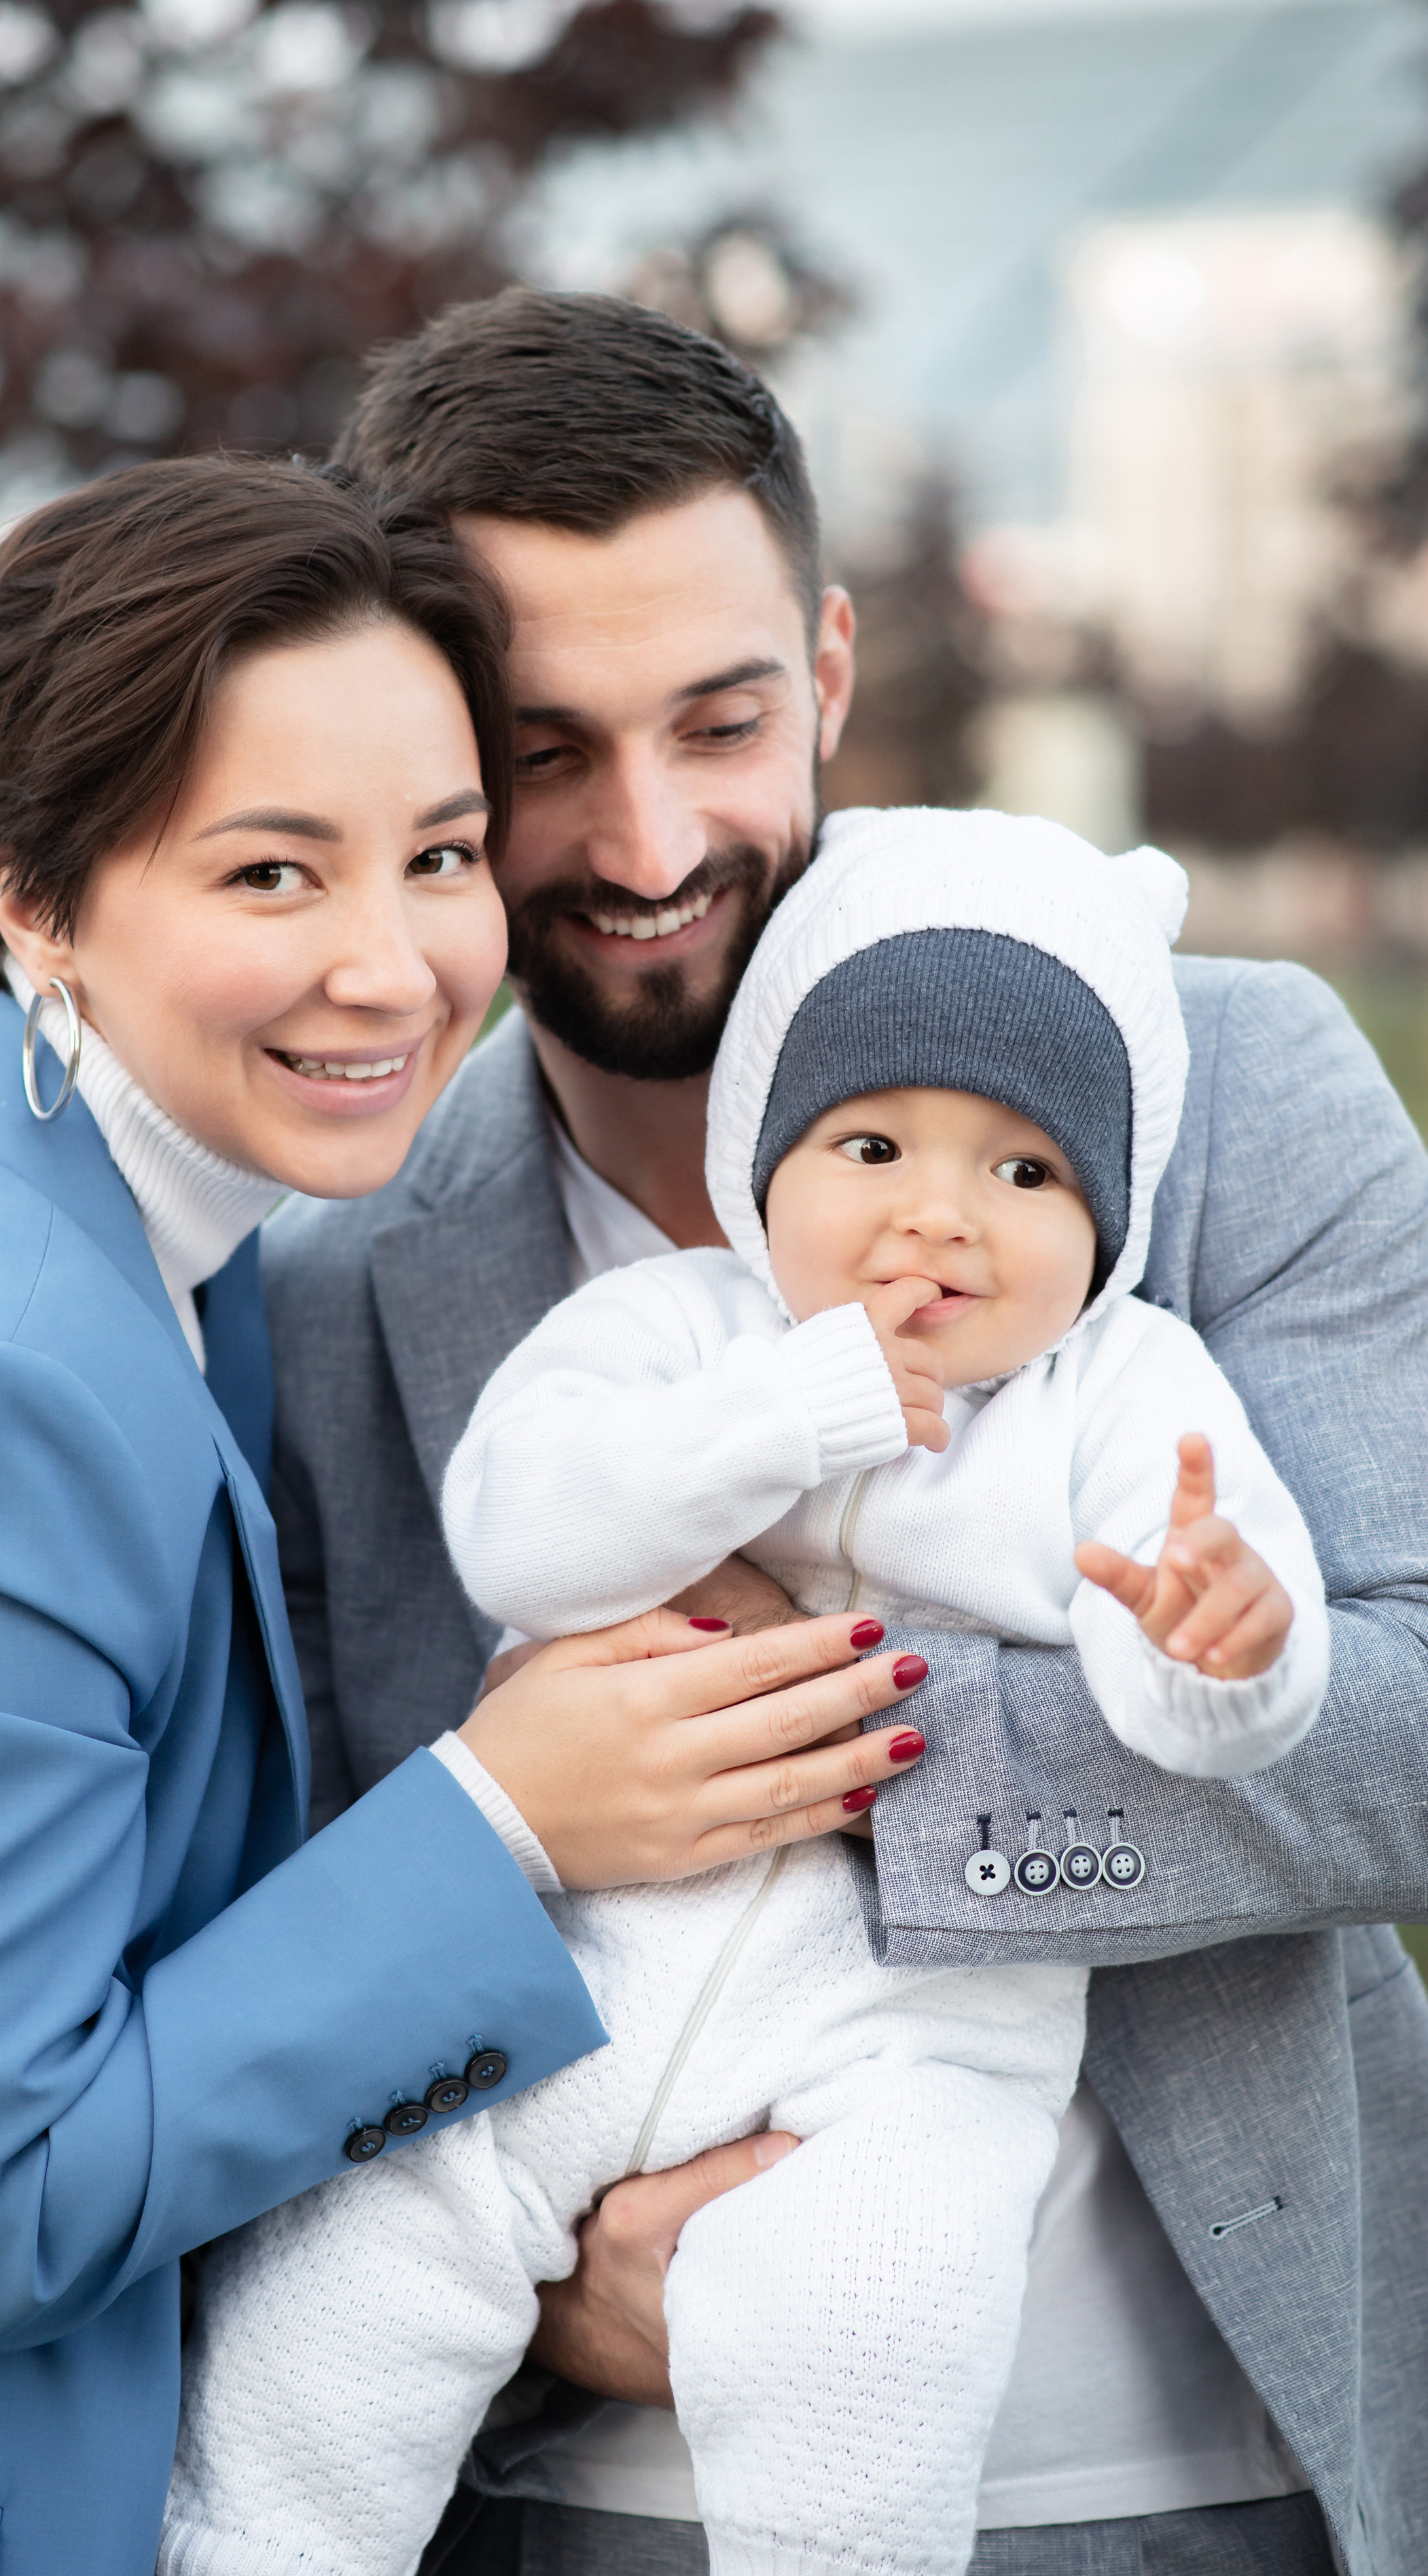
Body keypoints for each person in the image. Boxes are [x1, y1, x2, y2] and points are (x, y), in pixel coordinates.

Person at [258, 292, 1428, 2576]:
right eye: (546, 749)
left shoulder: (1234, 1089)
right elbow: (274, 1914)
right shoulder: (333, 1273)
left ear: (831, 669)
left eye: (720, 721)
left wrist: (816, 1753)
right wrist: (543, 2302)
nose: (649, 834)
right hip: (597, 2499)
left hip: (1209, 2484)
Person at [0, 456, 919, 2576]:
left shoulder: (148, 1246)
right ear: (33, 898)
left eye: (438, 854)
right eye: (273, 872)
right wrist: (504, 1817)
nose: (392, 965)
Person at [166, 812, 1326, 2576]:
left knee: (874, 2315)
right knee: (363, 2248)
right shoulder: (676, 1332)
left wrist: (1219, 1649)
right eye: (872, 1145)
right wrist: (789, 1413)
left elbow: (1197, 1669)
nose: (940, 1213)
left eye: (1026, 1172)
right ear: (761, 1164)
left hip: (913, 2036)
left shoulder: (1120, 1388)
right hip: (573, 1985)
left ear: (1107, 1222)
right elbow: (519, 1531)